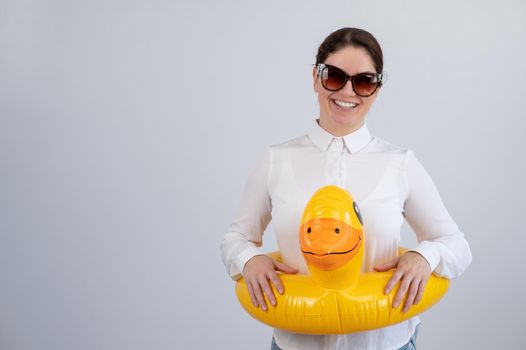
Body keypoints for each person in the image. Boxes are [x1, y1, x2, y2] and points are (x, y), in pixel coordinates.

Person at [220, 27, 472, 350]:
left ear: (377, 90)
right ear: (315, 78)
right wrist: (247, 259)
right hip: (297, 341)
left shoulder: (400, 164)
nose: (348, 91)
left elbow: (457, 245)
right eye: (334, 76)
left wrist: (425, 257)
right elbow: (235, 239)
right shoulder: (275, 161)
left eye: (364, 81)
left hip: (386, 342)